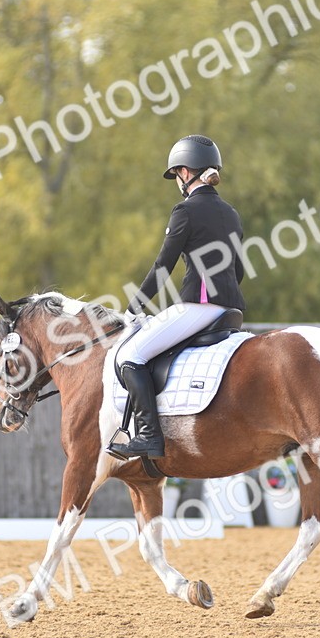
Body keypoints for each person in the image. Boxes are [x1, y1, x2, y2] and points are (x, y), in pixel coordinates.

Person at [108, 135, 246, 459]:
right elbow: (237, 269)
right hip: (232, 309)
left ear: (185, 173)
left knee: (131, 357)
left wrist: (132, 310)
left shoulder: (185, 211)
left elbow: (162, 266)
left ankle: (147, 436)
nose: (177, 183)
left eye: (176, 176)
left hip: (200, 306)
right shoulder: (231, 213)